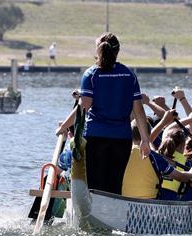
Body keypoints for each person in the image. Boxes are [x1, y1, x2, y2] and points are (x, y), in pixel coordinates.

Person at [56, 33, 152, 195]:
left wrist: (64, 127)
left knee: (95, 185)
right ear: (117, 51)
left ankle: (93, 215)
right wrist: (145, 140)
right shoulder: (129, 75)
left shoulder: (91, 74)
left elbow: (82, 108)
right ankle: (110, 215)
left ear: (98, 51)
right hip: (122, 139)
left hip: (96, 137)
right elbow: (139, 110)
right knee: (114, 185)